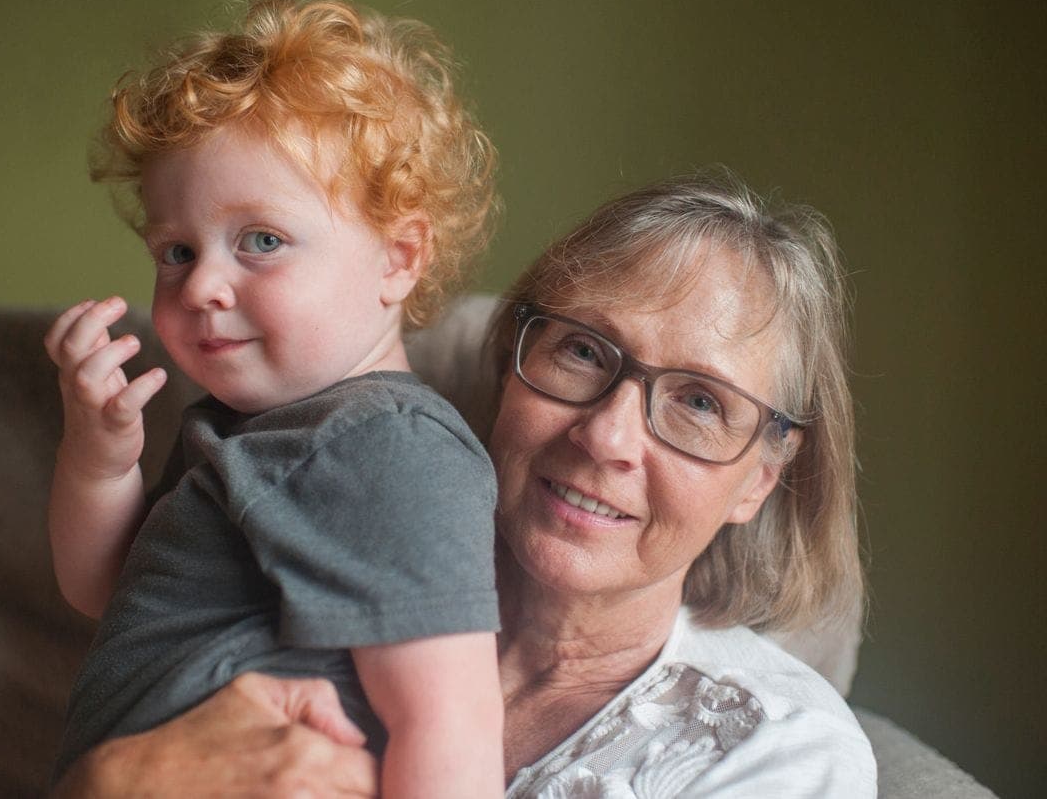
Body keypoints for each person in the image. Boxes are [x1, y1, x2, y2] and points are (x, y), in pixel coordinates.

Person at [54, 172, 877, 797]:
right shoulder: (311, 539)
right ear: (511, 362)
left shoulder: (780, 752)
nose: (606, 437)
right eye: (582, 351)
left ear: (759, 479)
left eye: (699, 403)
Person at [43, 0, 505, 797]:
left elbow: (450, 720)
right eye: (176, 252)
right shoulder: (235, 432)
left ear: (399, 258)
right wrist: (98, 459)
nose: (201, 286)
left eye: (262, 241)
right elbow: (100, 590)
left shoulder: (392, 443)